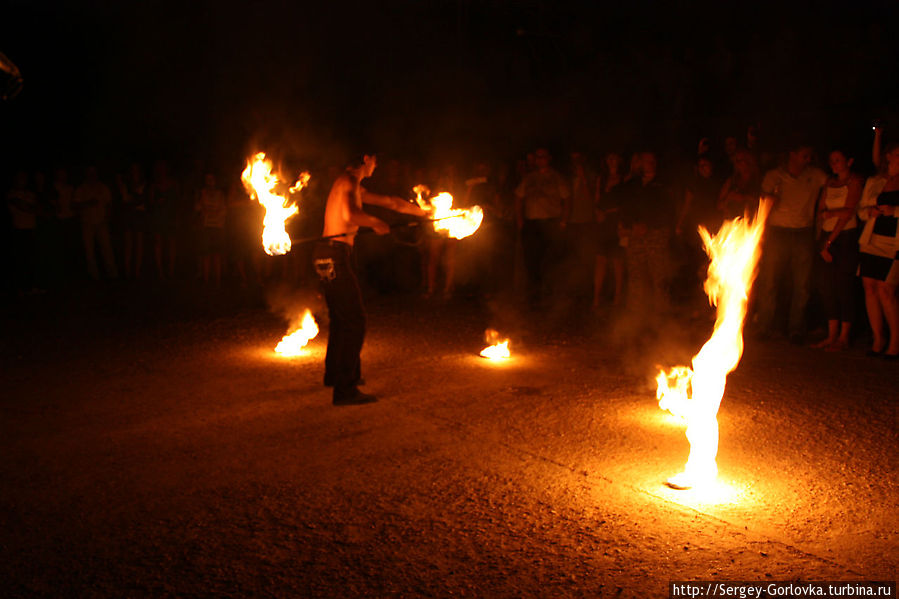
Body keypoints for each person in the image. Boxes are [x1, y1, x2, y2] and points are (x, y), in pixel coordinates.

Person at [314, 153, 426, 406]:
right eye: (375, 160)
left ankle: (335, 374)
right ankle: (345, 389)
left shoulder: (351, 184)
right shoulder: (348, 181)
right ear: (366, 158)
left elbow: (391, 203)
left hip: (328, 253)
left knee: (341, 318)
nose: (377, 165)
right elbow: (351, 214)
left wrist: (423, 212)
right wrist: (374, 222)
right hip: (334, 254)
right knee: (355, 320)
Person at [755, 142, 827, 343]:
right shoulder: (774, 176)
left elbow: (834, 183)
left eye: (810, 155)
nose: (808, 158)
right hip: (778, 232)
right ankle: (764, 327)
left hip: (803, 232)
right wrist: (771, 198)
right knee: (770, 281)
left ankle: (796, 329)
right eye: (804, 154)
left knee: (802, 284)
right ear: (792, 155)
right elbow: (763, 200)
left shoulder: (816, 175)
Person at [812, 149, 862, 351]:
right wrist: (821, 241)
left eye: (838, 160)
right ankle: (831, 335)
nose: (834, 164)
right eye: (831, 160)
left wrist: (829, 242)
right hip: (826, 237)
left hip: (844, 238)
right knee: (827, 287)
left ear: (849, 161)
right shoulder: (829, 183)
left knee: (843, 286)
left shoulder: (854, 182)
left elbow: (847, 213)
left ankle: (844, 337)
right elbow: (821, 211)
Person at [619, 151, 676, 320]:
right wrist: (631, 226)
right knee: (636, 275)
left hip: (656, 234)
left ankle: (661, 315)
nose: (648, 163)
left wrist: (649, 225)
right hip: (635, 235)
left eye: (651, 160)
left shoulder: (664, 183)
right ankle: (636, 315)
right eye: (644, 161)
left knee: (659, 275)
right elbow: (625, 207)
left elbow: (669, 210)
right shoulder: (633, 184)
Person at [857, 143, 899, 359]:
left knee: (887, 291)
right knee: (870, 287)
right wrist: (870, 212)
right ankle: (878, 338)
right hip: (872, 240)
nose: (892, 158)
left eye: (897, 155)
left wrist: (895, 211)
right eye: (891, 154)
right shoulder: (878, 181)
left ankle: (895, 342)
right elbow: (861, 210)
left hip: (894, 244)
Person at [514, 148, 571, 307]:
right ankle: (534, 298)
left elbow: (567, 199)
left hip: (551, 223)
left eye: (543, 157)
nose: (540, 160)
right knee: (531, 262)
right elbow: (518, 197)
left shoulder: (556, 178)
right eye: (537, 157)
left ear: (549, 158)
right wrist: (520, 220)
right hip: (532, 224)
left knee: (550, 261)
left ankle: (551, 296)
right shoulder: (529, 178)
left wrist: (563, 221)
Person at [73, 166, 118, 281]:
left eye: (94, 172)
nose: (92, 175)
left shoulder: (103, 187)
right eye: (89, 172)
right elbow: (75, 205)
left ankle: (112, 274)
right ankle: (94, 276)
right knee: (89, 251)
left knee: (107, 249)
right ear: (86, 174)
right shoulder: (81, 189)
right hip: (87, 223)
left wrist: (107, 218)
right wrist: (88, 203)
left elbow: (109, 204)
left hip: (102, 223)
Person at [593, 151, 625, 308]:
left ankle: (617, 298)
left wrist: (615, 217)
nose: (612, 161)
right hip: (602, 224)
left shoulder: (624, 178)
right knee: (600, 261)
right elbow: (597, 200)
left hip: (616, 223)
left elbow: (625, 203)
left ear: (619, 160)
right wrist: (598, 211)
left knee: (617, 262)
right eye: (609, 158)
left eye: (614, 158)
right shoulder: (602, 178)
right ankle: (596, 298)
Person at [195, 173, 227, 286]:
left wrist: (213, 213)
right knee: (206, 254)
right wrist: (203, 208)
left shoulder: (220, 194)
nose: (210, 182)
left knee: (217, 254)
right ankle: (206, 280)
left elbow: (223, 210)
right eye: (207, 180)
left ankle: (217, 280)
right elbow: (197, 207)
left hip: (217, 227)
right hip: (206, 226)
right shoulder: (202, 193)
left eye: (212, 179)